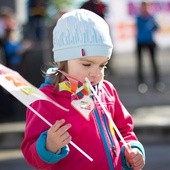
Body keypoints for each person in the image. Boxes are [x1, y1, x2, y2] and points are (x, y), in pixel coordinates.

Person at [21, 9, 145, 170]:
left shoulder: (106, 90)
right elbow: (31, 154)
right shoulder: (44, 100)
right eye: (87, 64)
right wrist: (48, 147)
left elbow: (124, 129)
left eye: (102, 65)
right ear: (63, 60)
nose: (96, 73)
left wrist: (132, 149)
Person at [135, 1, 164, 93]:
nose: (145, 8)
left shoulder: (152, 17)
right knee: (140, 64)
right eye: (143, 6)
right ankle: (141, 83)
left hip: (150, 42)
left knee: (154, 63)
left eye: (147, 7)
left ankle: (157, 82)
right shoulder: (138, 17)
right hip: (140, 42)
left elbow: (157, 28)